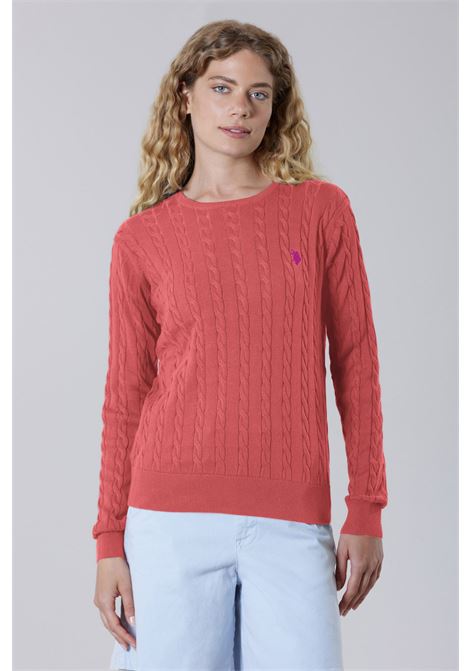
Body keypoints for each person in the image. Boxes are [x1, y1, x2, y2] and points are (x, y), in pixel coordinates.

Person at [92, 18, 387, 671]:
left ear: (276, 107)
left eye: (259, 93)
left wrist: (366, 507)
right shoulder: (141, 239)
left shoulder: (320, 211)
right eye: (222, 87)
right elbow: (125, 395)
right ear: (185, 97)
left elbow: (356, 361)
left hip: (291, 522)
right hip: (168, 521)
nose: (240, 107)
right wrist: (109, 537)